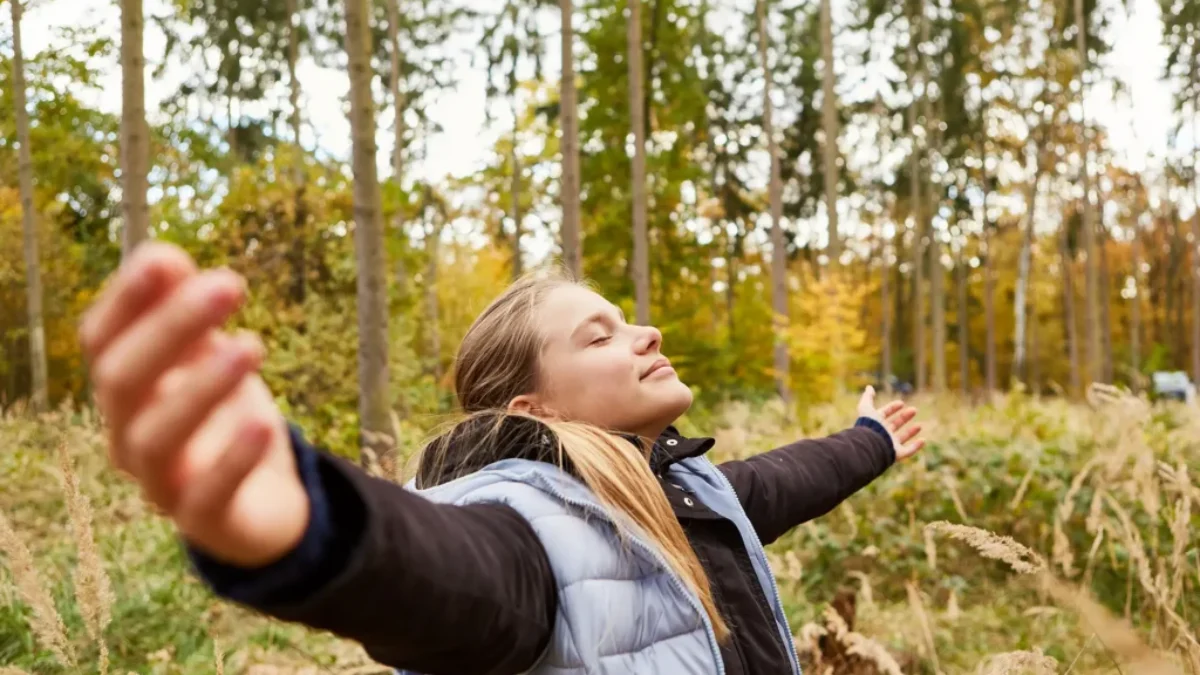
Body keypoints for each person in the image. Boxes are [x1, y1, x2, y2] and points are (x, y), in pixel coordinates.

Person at [80, 242, 925, 675]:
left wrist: (871, 438)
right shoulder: (522, 526)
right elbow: (446, 571)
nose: (648, 333)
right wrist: (315, 520)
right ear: (535, 409)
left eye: (627, 318)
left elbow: (785, 479)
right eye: (599, 334)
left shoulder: (684, 487)